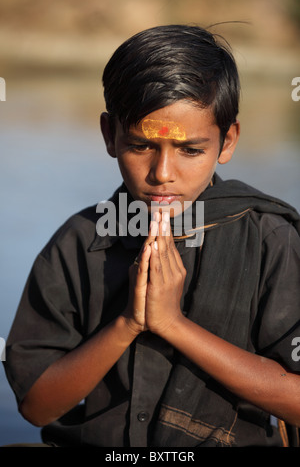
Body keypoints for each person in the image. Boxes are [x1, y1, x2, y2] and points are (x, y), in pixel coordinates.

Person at [3, 24, 300, 448]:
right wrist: (127, 322)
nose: (162, 174)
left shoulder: (270, 241)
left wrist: (173, 326)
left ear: (227, 140)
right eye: (141, 145)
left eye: (190, 150)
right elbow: (36, 406)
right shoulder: (80, 242)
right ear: (110, 135)